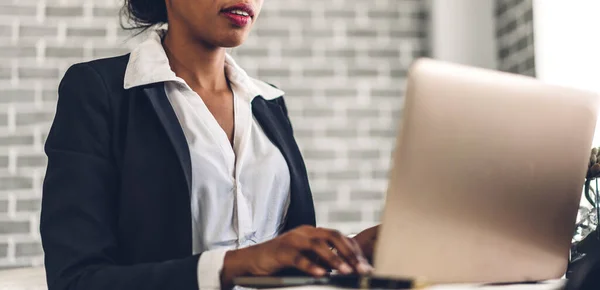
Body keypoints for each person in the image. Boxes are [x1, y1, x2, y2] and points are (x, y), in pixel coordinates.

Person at [40, 0, 379, 290]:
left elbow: (279, 262)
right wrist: (230, 265)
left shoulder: (267, 102)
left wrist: (345, 253)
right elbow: (76, 279)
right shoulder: (99, 91)